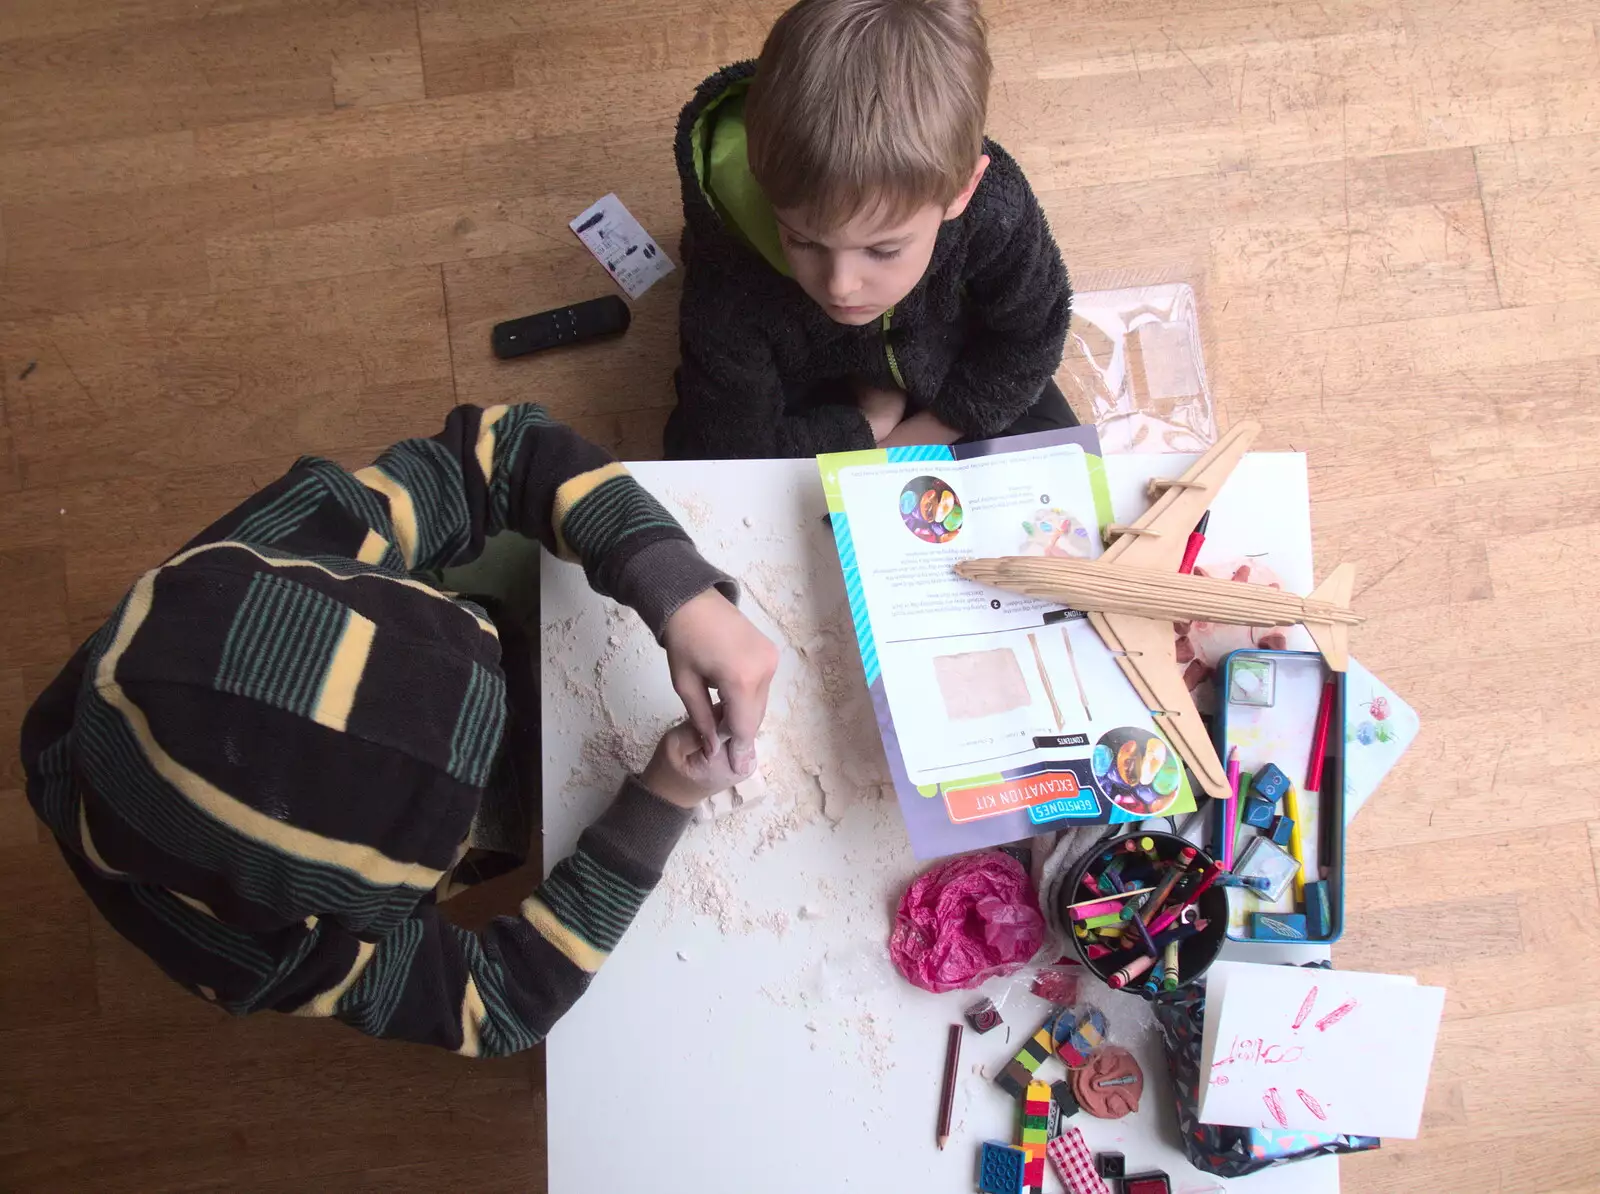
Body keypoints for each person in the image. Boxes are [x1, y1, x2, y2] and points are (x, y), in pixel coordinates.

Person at [20, 403, 779, 1058]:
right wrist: (658, 804)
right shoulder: (260, 952)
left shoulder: (309, 535)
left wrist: (678, 590)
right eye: (450, 829)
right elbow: (499, 1005)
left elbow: (504, 450)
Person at [664, 0, 1075, 461]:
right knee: (697, 457)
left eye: (882, 250)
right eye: (802, 240)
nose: (840, 286)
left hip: (947, 366)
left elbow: (1033, 335)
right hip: (810, 385)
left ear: (962, 191)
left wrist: (916, 434)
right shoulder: (730, 273)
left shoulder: (995, 207)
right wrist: (864, 425)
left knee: (1058, 460)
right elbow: (735, 446)